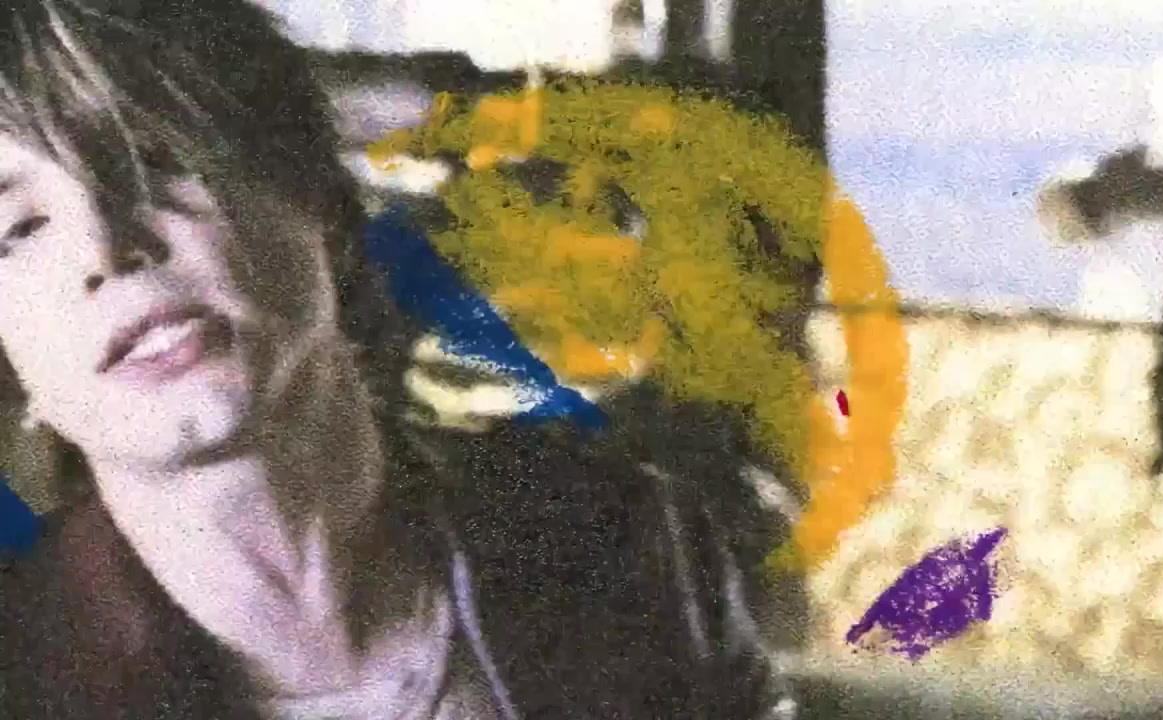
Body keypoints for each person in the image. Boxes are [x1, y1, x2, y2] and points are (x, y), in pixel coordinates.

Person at [0, 0, 796, 717]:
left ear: (316, 198)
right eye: (19, 228)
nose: (104, 248)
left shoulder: (624, 552)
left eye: (156, 159)